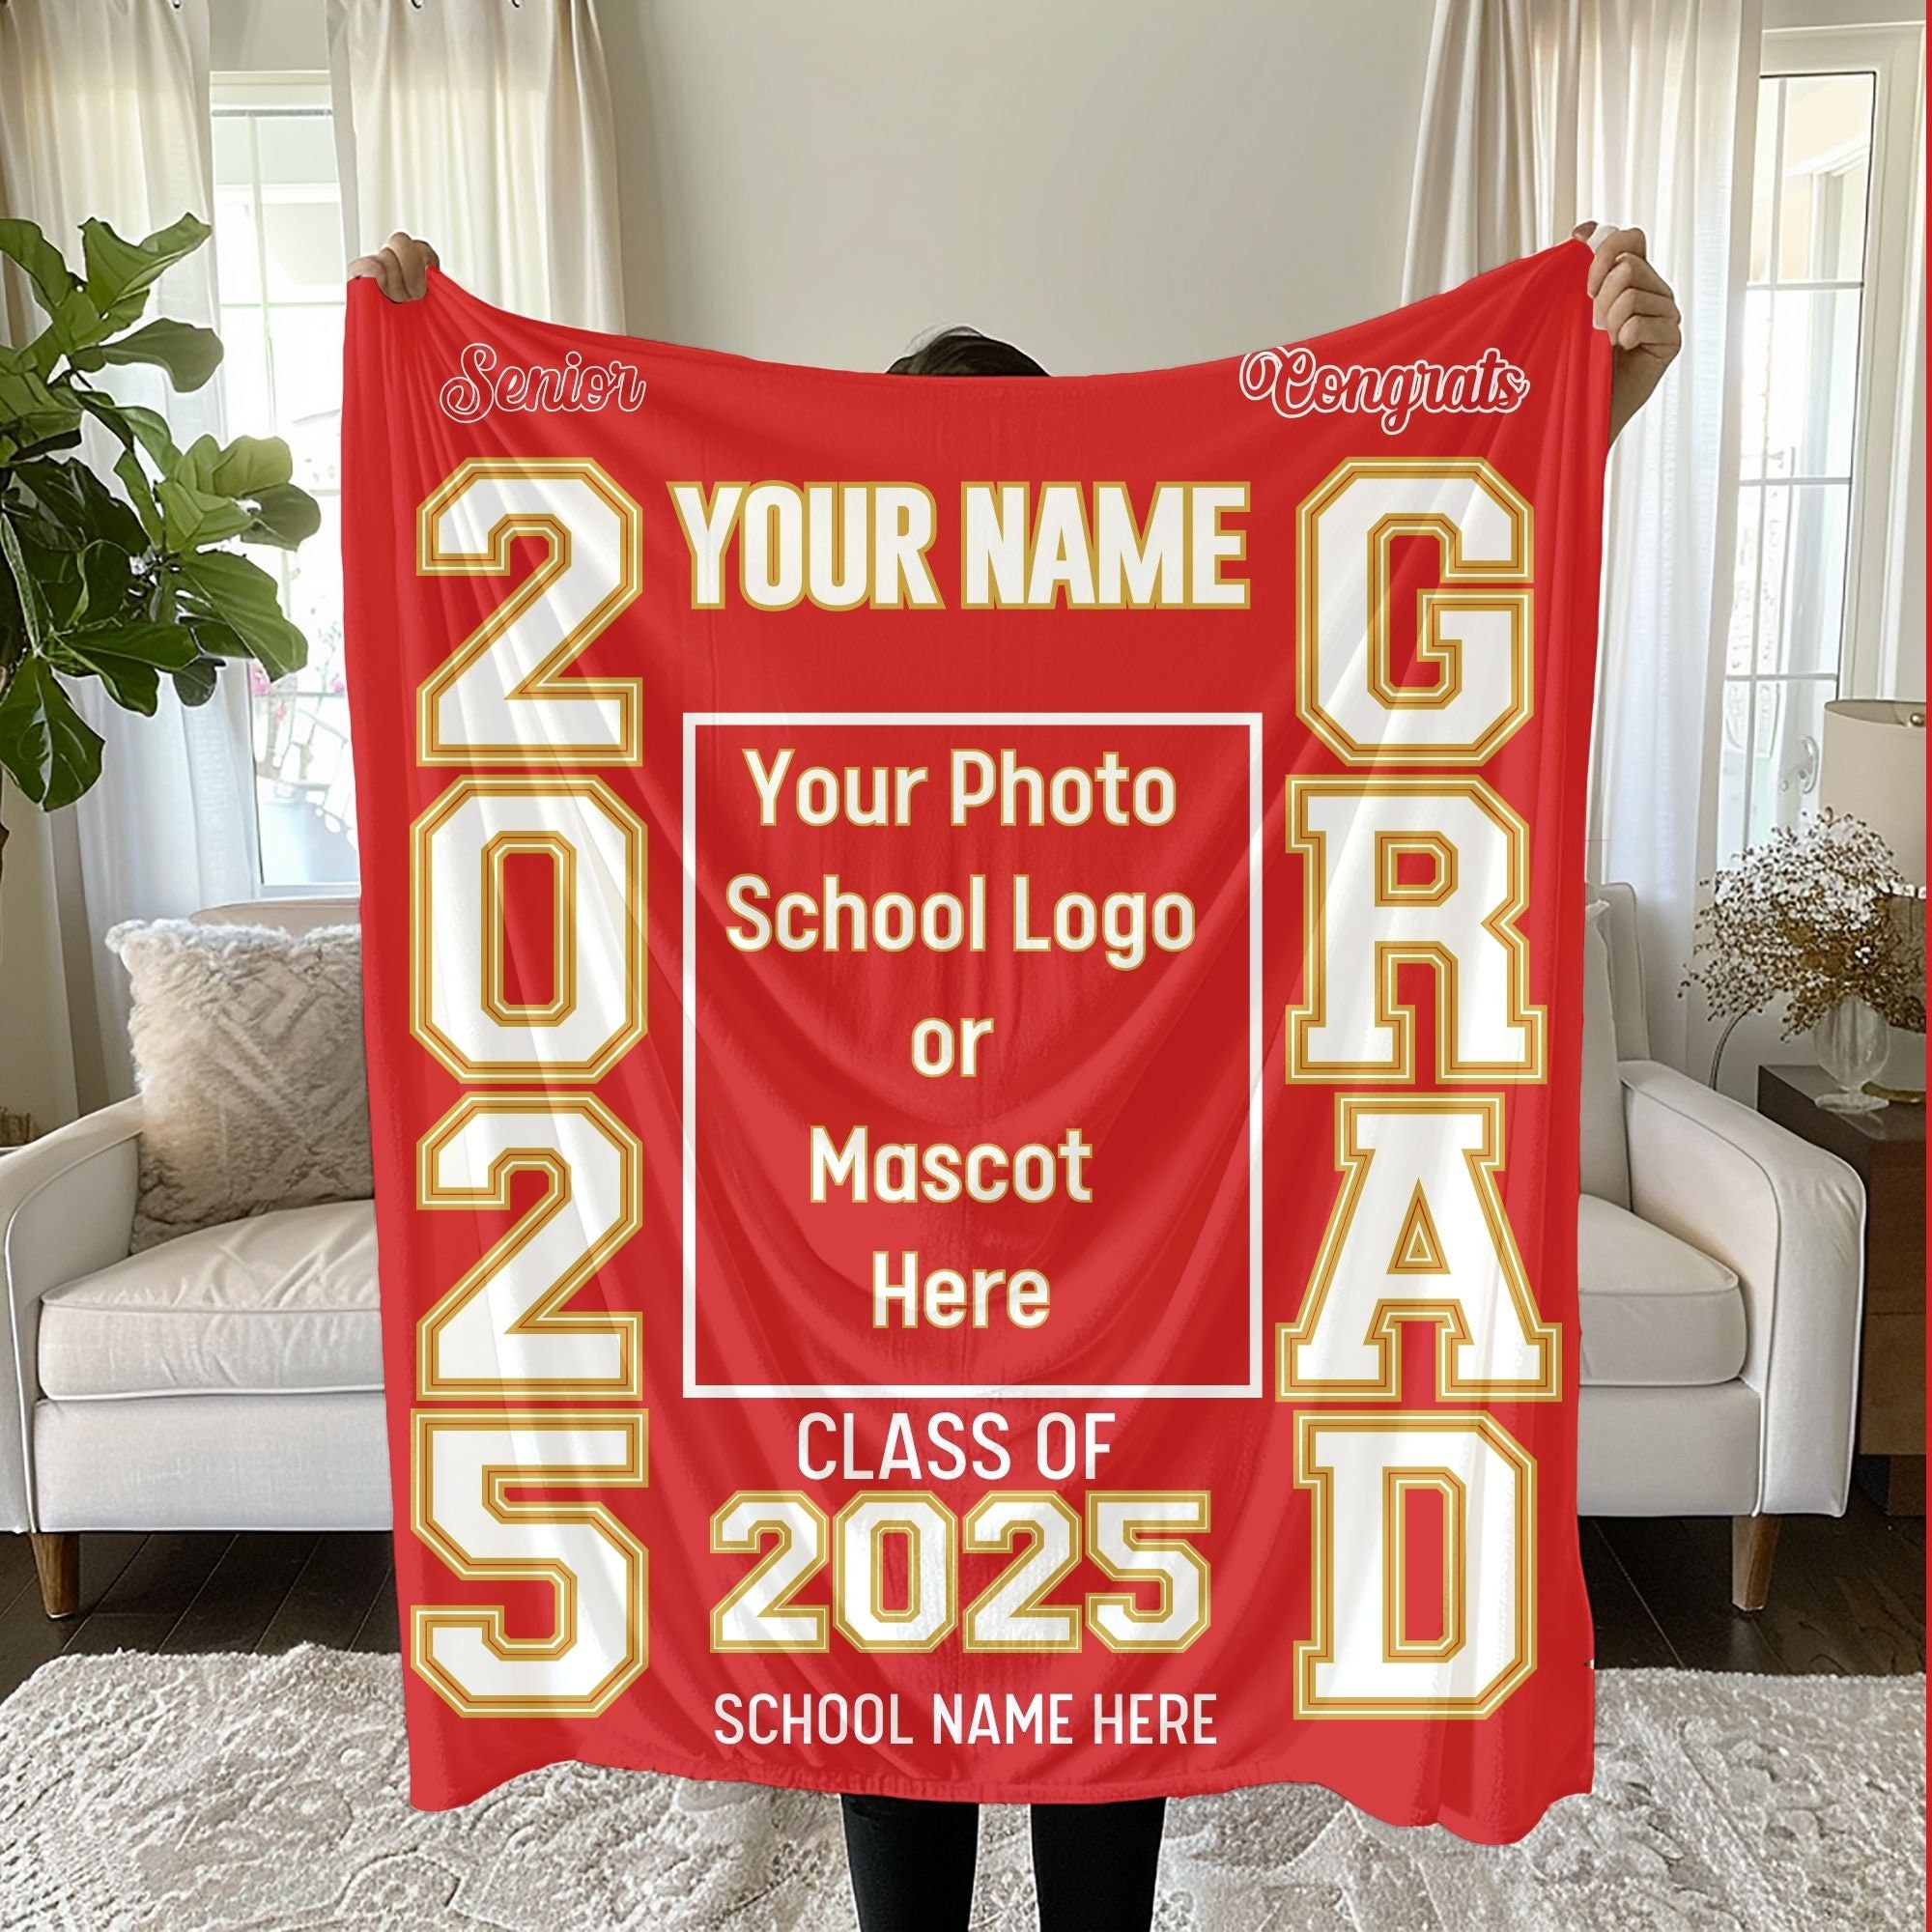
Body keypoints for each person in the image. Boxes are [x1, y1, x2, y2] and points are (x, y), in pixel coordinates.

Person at [351, 224, 1680, 1932]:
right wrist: (432, 378)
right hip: (863, 1274)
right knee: (884, 1658)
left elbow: (1381, 582)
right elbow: (599, 622)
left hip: (1109, 1265)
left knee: (1100, 1675)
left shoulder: (1158, 653)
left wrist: (1586, 399)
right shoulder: (788, 666)